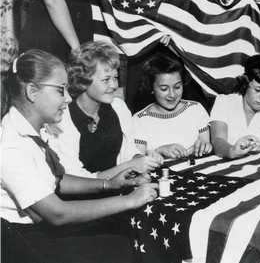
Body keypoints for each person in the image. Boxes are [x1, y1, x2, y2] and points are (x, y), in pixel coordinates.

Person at [1, 50, 158, 263]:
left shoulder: (40, 128)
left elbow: (59, 179)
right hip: (19, 238)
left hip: (41, 228)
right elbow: (57, 214)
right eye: (60, 90)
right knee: (122, 249)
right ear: (32, 91)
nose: (67, 98)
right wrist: (129, 200)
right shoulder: (10, 145)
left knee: (125, 238)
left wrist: (109, 184)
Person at [49, 41, 162, 178]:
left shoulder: (119, 107)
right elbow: (74, 177)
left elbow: (128, 151)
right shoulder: (63, 117)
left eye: (115, 77)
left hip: (119, 192)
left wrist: (139, 158)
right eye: (106, 80)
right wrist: (128, 167)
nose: (114, 85)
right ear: (82, 81)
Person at [133, 53, 212, 159]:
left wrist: (204, 146)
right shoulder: (140, 120)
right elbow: (137, 161)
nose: (172, 94)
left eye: (177, 87)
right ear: (151, 87)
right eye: (164, 89)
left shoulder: (196, 109)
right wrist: (159, 151)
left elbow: (205, 145)